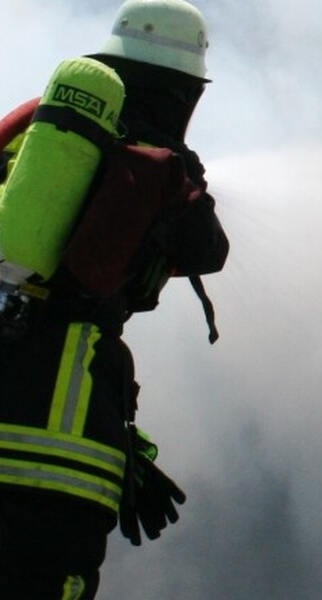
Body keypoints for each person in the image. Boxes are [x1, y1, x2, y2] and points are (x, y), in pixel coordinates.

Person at [0, 0, 227, 597]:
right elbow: (208, 249)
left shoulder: (34, 135)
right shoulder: (160, 164)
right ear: (185, 91)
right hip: (54, 438)